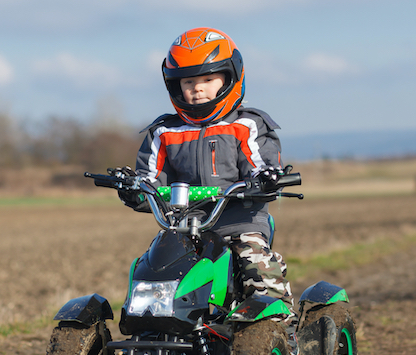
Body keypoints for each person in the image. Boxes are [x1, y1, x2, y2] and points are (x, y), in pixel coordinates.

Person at [118, 27, 294, 319]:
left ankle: (282, 337)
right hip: (183, 228)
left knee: (257, 268)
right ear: (175, 86)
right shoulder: (164, 131)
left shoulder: (247, 124)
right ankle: (155, 331)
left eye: (208, 79)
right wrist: (134, 187)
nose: (197, 88)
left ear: (229, 77)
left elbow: (261, 164)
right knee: (153, 269)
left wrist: (264, 179)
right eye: (188, 81)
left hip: (240, 223)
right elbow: (149, 179)